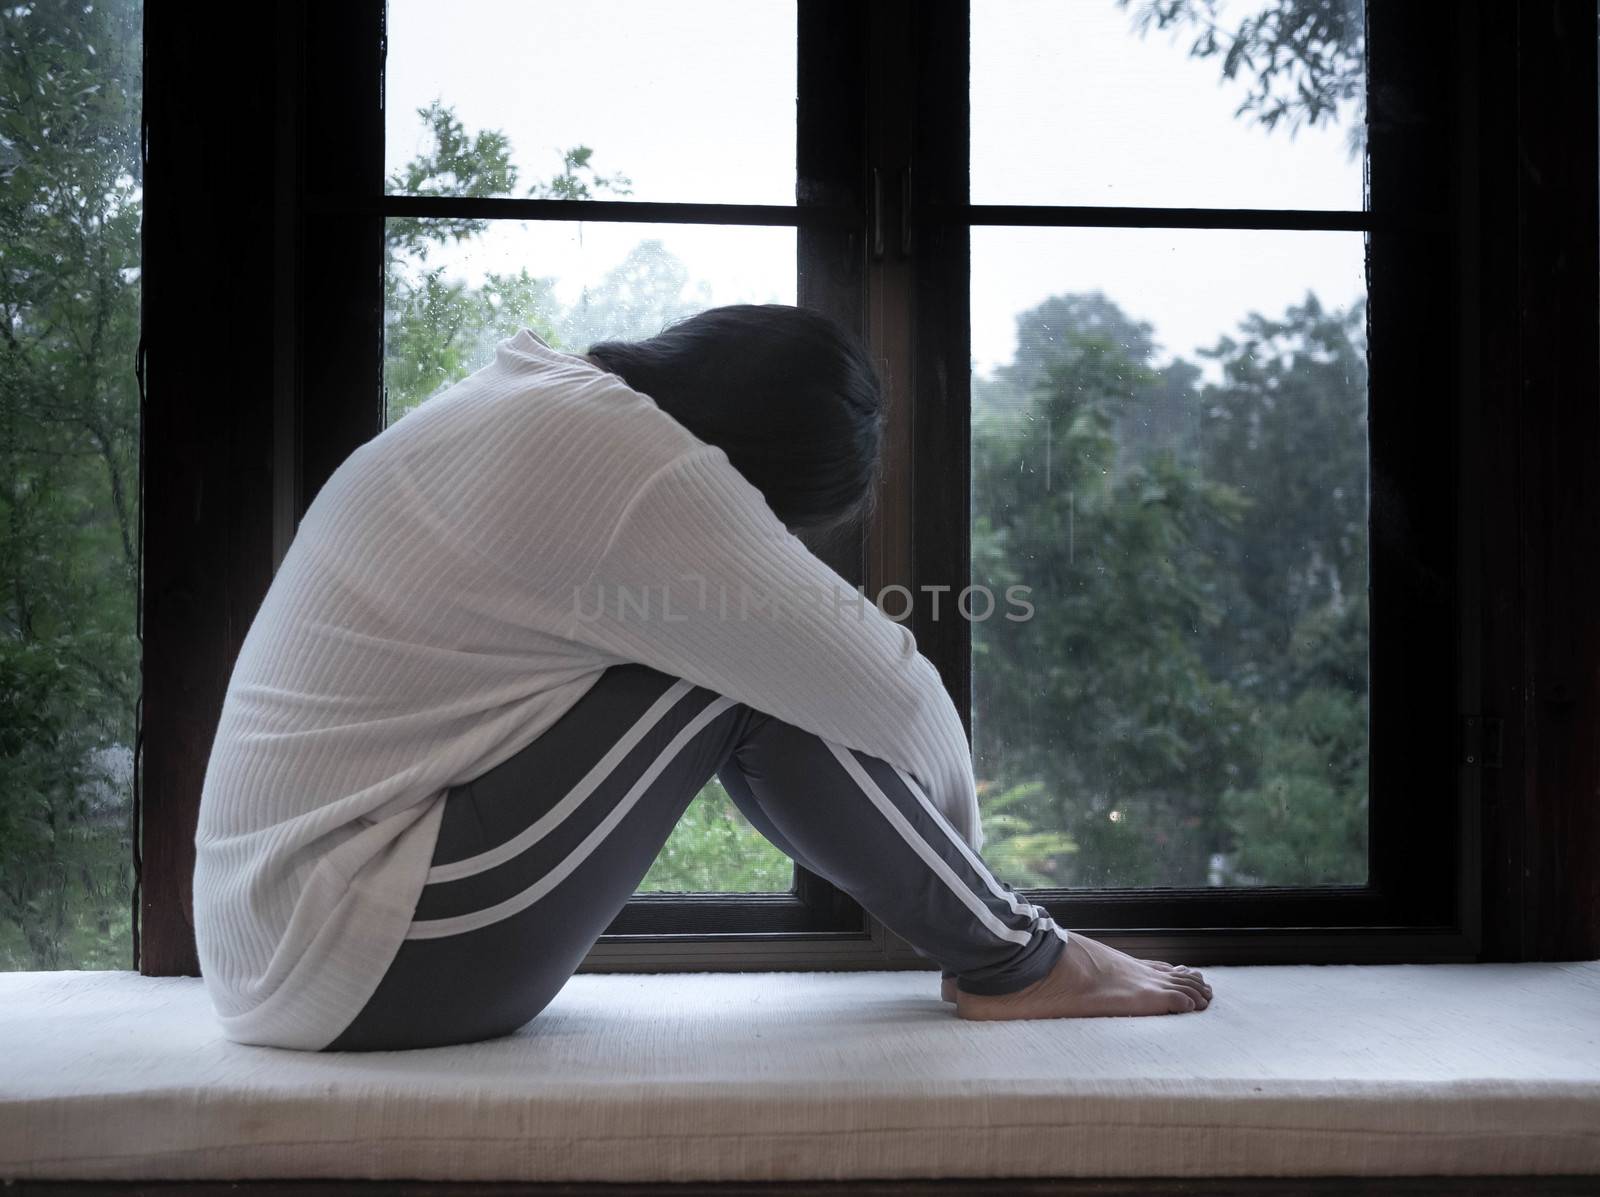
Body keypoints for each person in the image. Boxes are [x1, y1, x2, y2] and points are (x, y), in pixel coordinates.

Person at [192, 304, 1212, 1052]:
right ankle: (1023, 963)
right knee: (747, 669)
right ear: (755, 476)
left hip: (285, 941)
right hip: (356, 957)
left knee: (747, 658)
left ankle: (997, 944)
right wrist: (964, 887)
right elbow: (891, 691)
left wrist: (925, 884)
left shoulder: (529, 400)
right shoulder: (644, 467)